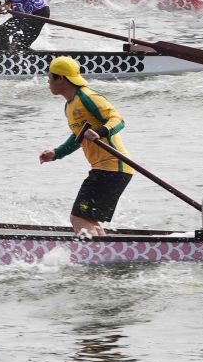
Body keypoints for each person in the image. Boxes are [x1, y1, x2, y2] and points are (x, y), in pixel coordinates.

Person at [38, 56, 133, 236]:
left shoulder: (89, 97)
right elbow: (78, 137)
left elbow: (117, 120)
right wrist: (56, 153)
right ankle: (104, 256)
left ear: (61, 78)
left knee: (78, 218)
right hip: (104, 169)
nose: (48, 81)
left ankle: (90, 261)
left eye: (50, 77)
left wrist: (101, 131)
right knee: (88, 219)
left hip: (113, 167)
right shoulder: (69, 106)